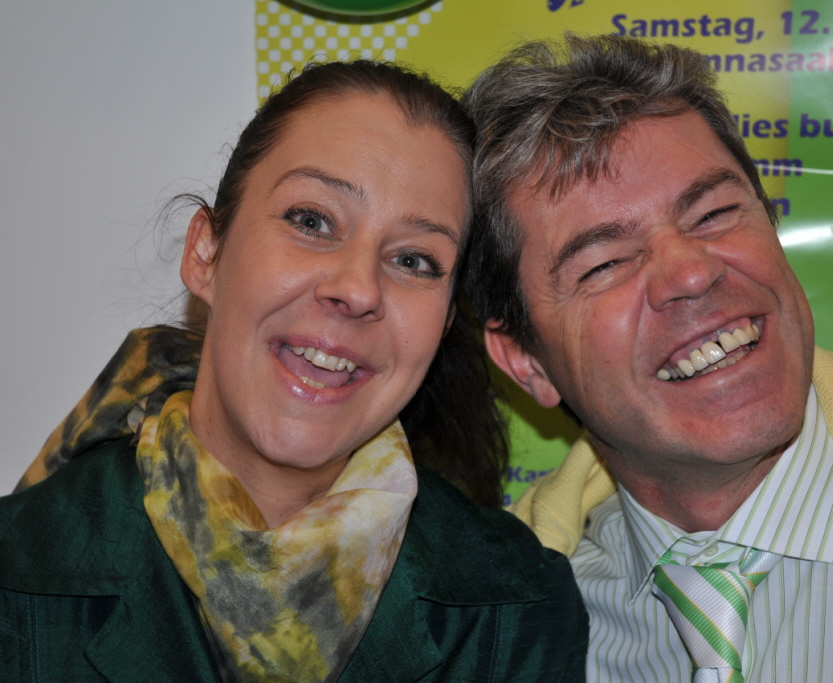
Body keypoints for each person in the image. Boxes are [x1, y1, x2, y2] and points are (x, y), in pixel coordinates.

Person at [461, 34, 833, 683]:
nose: (690, 271)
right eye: (606, 263)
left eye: (713, 213)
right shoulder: (496, 639)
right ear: (526, 361)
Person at [0, 60, 587, 682]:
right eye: (312, 222)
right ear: (206, 252)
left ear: (443, 325)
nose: (357, 289)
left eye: (414, 260)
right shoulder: (17, 573)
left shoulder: (517, 612)